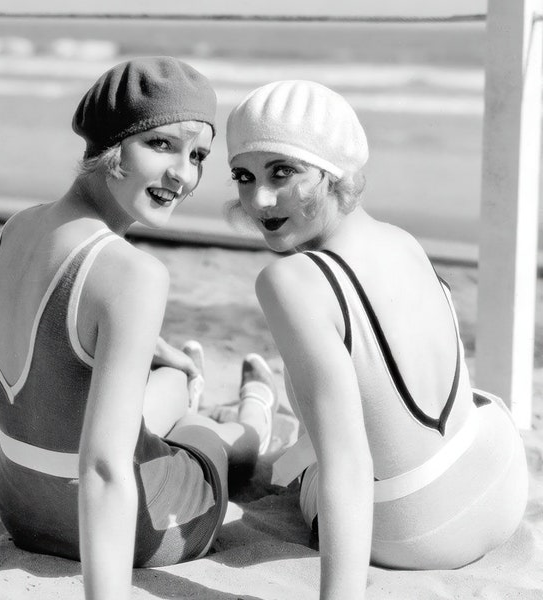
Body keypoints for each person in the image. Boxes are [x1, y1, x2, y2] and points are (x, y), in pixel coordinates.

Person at [0, 57, 278, 600]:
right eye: (161, 145)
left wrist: (148, 344)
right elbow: (104, 468)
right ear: (113, 141)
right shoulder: (132, 274)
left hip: (19, 506)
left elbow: (38, 324)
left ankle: (185, 378)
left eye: (198, 156)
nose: (183, 175)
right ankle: (251, 422)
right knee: (197, 434)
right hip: (130, 530)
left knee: (165, 381)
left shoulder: (17, 228)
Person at [225, 80, 528, 600]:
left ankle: (252, 414)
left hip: (411, 533)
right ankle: (262, 416)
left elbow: (347, 462)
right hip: (501, 482)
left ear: (333, 170)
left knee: (310, 462)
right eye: (244, 176)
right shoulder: (402, 240)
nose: (260, 200)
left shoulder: (290, 281)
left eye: (284, 172)